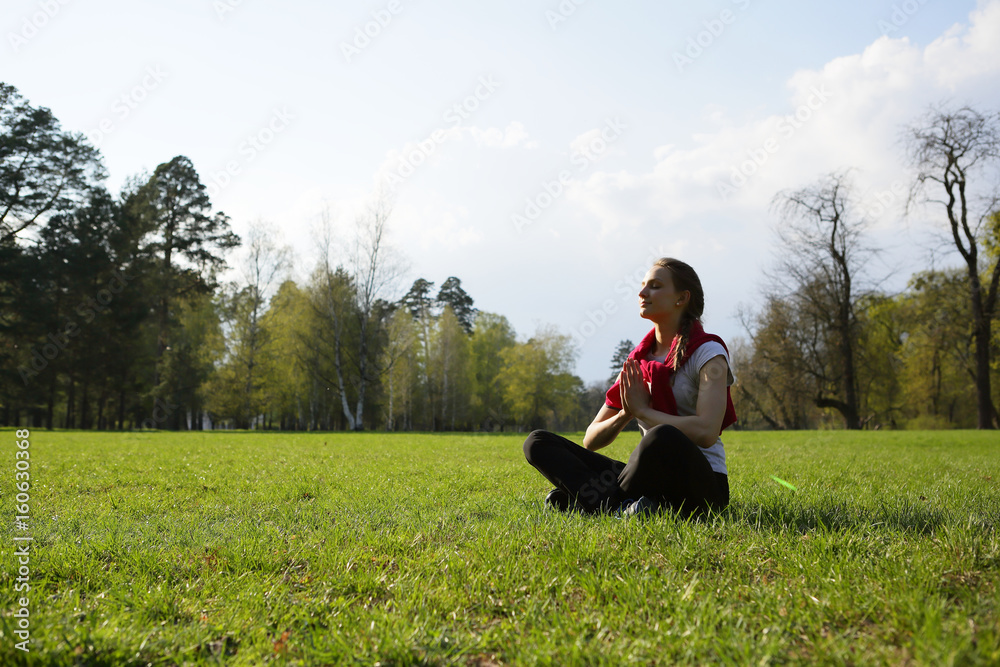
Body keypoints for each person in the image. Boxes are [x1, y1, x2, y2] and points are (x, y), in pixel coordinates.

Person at [522, 257, 737, 516]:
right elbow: (591, 439)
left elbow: (707, 431)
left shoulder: (708, 354)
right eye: (643, 285)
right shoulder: (637, 362)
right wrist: (626, 413)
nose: (642, 292)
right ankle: (623, 507)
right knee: (538, 442)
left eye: (655, 286)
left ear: (681, 298)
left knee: (662, 436)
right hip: (649, 476)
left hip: (702, 486)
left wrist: (644, 413)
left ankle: (592, 502)